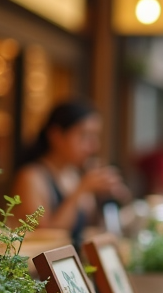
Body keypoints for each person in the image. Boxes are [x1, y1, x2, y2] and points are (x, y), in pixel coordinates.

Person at [11, 101, 128, 248]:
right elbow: (44, 238)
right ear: (56, 136)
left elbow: (88, 230)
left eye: (95, 136)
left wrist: (105, 198)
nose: (94, 146)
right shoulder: (31, 177)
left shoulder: (74, 174)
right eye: (84, 135)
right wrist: (81, 190)